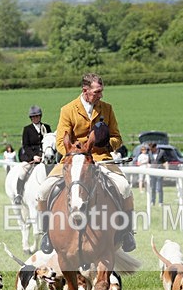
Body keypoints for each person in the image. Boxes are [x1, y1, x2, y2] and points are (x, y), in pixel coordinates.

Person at [36, 73, 135, 253]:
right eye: (97, 92)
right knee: (43, 190)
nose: (101, 95)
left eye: (101, 91)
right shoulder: (67, 110)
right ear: (85, 91)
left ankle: (127, 232)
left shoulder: (107, 109)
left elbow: (117, 138)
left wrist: (105, 142)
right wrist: (77, 152)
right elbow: (60, 142)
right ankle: (46, 233)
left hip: (101, 158)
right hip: (74, 159)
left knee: (124, 187)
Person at [14, 106, 52, 205]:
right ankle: (19, 194)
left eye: (37, 116)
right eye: (33, 117)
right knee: (23, 171)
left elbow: (49, 142)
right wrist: (33, 156)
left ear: (40, 116)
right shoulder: (27, 129)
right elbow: (25, 146)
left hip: (45, 156)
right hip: (31, 156)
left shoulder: (47, 127)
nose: (36, 118)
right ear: (31, 118)